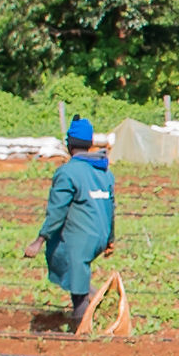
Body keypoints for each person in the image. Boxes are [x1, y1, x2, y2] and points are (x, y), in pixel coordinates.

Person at [36, 118, 117, 332]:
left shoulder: (67, 172)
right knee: (75, 263)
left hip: (82, 238)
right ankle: (92, 299)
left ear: (69, 145)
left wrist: (40, 239)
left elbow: (57, 211)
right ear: (89, 144)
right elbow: (111, 208)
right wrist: (110, 240)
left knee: (68, 259)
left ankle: (82, 320)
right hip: (100, 235)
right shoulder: (104, 171)